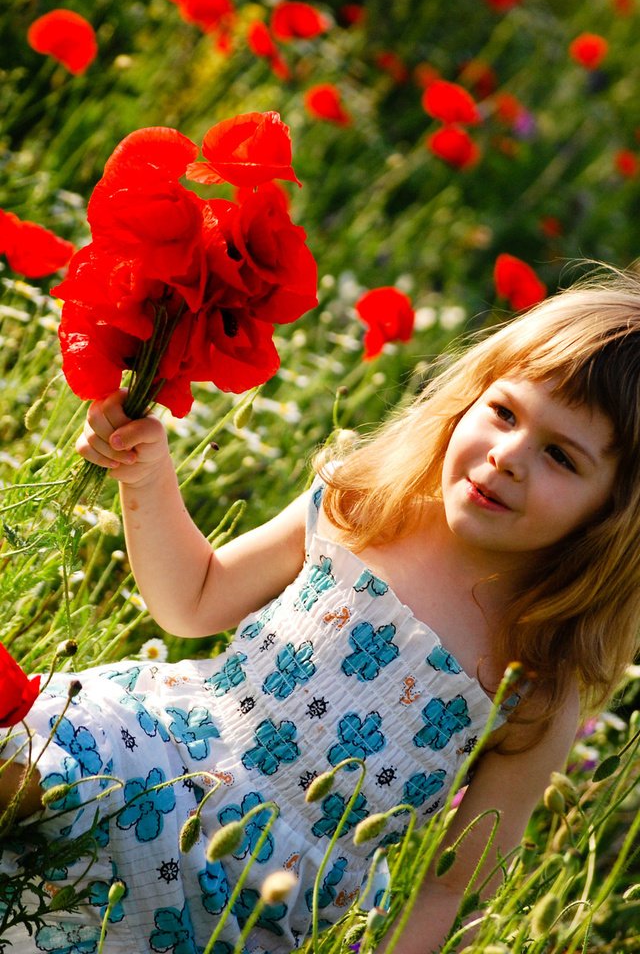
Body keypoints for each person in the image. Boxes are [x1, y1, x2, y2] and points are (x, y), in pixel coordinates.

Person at [1, 268, 640, 954]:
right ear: (469, 398)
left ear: (615, 512)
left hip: (256, 898)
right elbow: (193, 598)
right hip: (165, 754)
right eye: (505, 413)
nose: (508, 456)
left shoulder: (538, 679)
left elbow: (455, 885)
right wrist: (147, 476)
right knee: (40, 764)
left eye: (560, 457)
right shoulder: (364, 509)